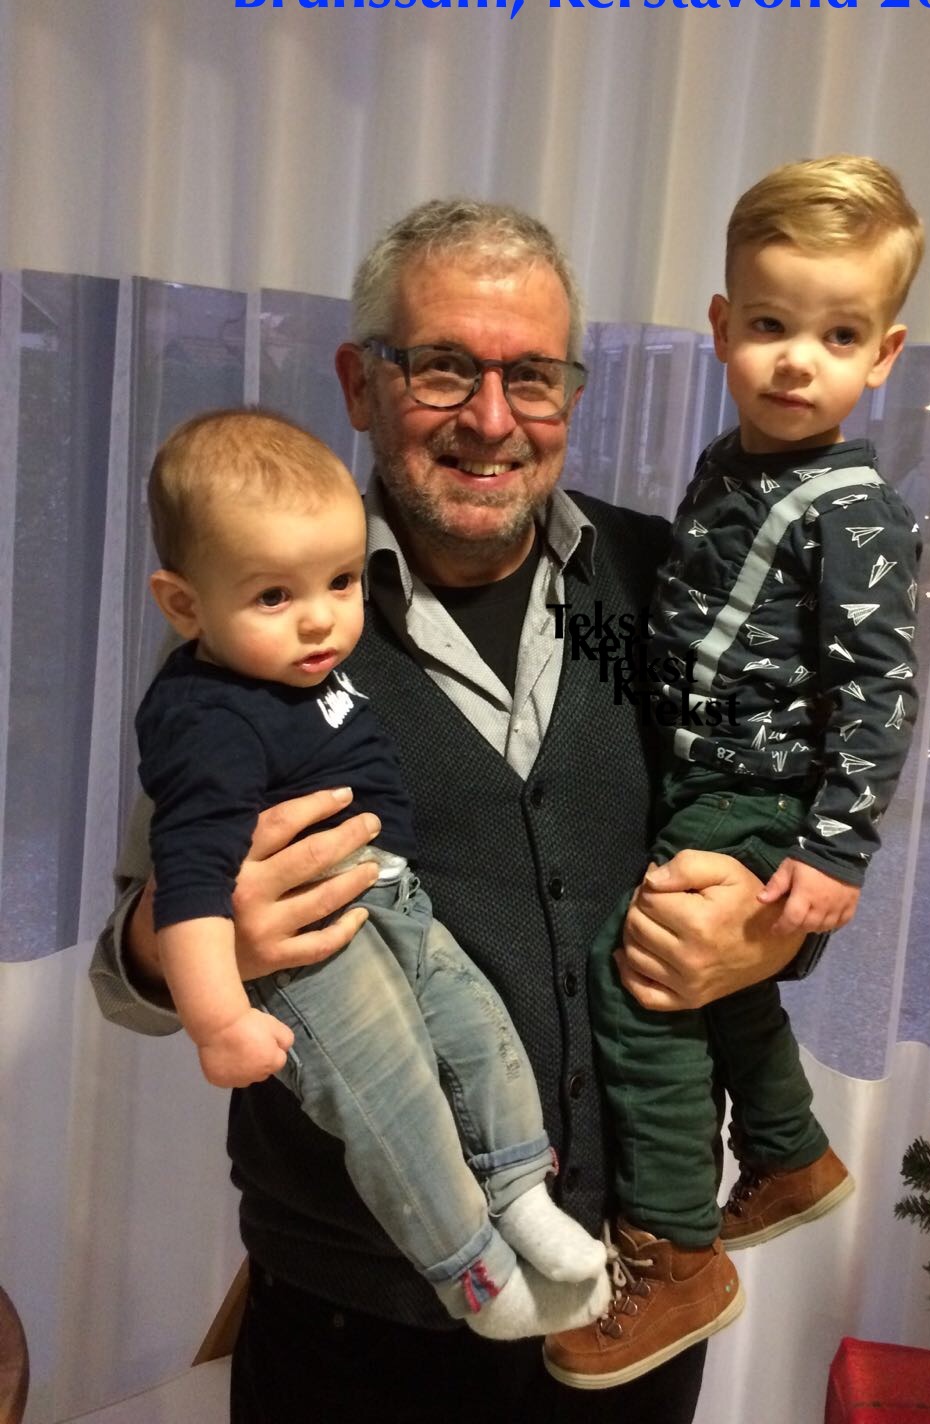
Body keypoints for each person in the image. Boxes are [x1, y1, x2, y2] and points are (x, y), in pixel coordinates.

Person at [91, 199, 805, 1424]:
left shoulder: (666, 582)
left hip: (632, 1296)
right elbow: (127, 971)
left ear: (569, 392)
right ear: (359, 383)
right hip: (353, 1319)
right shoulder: (251, 630)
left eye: (532, 375)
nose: (490, 417)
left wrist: (773, 933)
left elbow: (772, 823)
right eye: (442, 368)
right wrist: (193, 940)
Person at [546, 157, 924, 1389]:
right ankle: (786, 1149)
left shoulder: (853, 507)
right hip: (702, 775)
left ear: (884, 354)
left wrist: (834, 846)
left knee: (644, 977)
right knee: (713, 975)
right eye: (769, 325)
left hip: (758, 791)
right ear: (721, 327)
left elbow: (878, 689)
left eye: (838, 335)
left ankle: (675, 1249)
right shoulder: (731, 463)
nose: (797, 360)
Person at [136, 407, 608, 1340]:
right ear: (186, 607)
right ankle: (474, 1273)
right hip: (316, 951)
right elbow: (186, 879)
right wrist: (219, 1016)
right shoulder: (207, 716)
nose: (321, 618)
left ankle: (520, 1192)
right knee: (395, 1098)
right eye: (275, 596)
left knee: (478, 1030)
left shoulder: (307, 665)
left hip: (393, 896)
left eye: (343, 583)